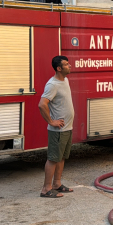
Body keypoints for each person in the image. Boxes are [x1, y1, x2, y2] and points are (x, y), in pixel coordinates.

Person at [38, 55, 75, 198]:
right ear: (59, 68)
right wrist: (51, 121)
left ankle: (57, 184)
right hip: (58, 130)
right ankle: (46, 189)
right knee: (53, 158)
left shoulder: (65, 80)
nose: (69, 66)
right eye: (66, 64)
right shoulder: (52, 85)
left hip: (67, 128)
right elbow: (42, 104)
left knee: (62, 157)